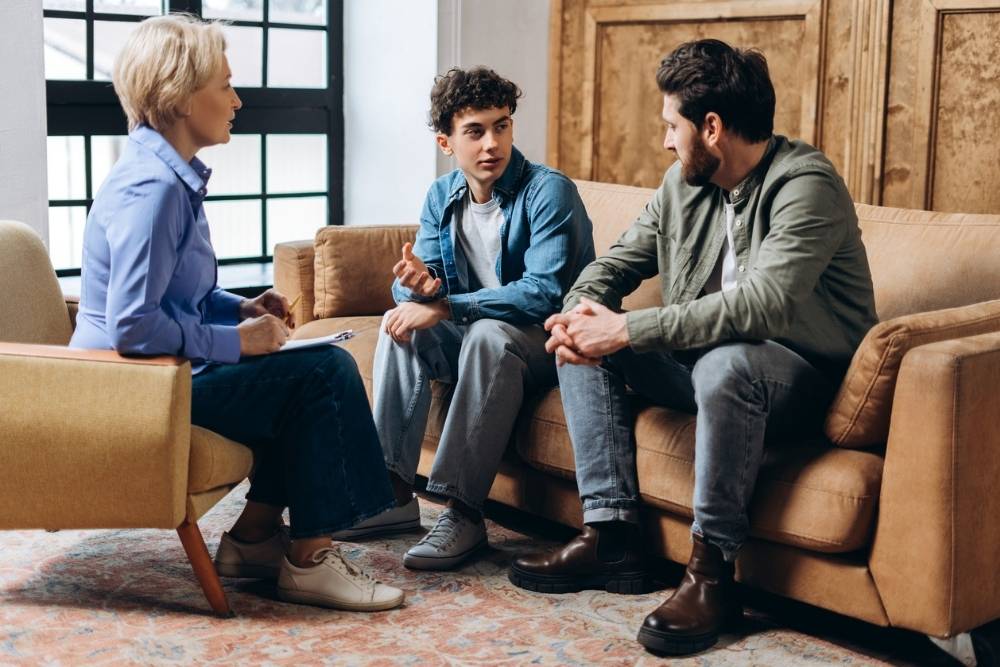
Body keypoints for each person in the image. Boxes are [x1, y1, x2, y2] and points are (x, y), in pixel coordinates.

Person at [507, 39, 877, 655]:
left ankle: (712, 576)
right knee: (583, 333)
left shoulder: (805, 183)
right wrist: (579, 315)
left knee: (726, 361)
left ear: (711, 127)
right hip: (700, 367)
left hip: (797, 378)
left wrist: (627, 329)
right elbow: (616, 263)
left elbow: (765, 305)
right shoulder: (684, 185)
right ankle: (610, 533)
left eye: (670, 126)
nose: (665, 141)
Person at [69, 14, 404, 612]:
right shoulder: (156, 191)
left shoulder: (165, 177)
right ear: (178, 96)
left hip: (155, 373)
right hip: (133, 387)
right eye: (225, 85)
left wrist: (239, 307)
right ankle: (309, 560)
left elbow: (171, 296)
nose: (237, 99)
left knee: (296, 375)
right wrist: (236, 343)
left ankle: (251, 541)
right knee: (323, 372)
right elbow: (130, 325)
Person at [333, 67, 595, 571]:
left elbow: (543, 294)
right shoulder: (442, 195)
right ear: (446, 142)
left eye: (501, 126)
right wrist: (418, 287)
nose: (491, 143)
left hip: (548, 342)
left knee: (487, 334)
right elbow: (423, 284)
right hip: (481, 334)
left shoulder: (548, 193)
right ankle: (390, 495)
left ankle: (463, 511)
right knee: (398, 324)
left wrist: (448, 305)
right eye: (474, 132)